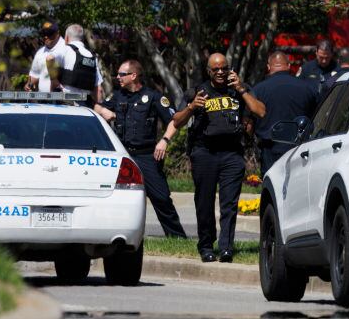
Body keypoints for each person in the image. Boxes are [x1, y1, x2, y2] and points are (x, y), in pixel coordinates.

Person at [173, 53, 265, 263]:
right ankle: (206, 246)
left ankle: (226, 248)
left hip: (232, 153)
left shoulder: (239, 89)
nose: (221, 72)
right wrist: (191, 107)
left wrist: (241, 89)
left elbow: (260, 111)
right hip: (204, 152)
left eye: (224, 68)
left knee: (229, 204)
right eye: (216, 69)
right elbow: (177, 122)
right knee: (204, 203)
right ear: (209, 71)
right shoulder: (197, 91)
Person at [94, 59, 187, 238]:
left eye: (122, 74)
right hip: (123, 156)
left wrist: (164, 140)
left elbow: (175, 121)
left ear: (133, 75)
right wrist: (102, 110)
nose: (117, 77)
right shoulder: (117, 96)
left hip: (146, 155)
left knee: (161, 198)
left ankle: (177, 236)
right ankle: (115, 236)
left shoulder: (153, 97)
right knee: (116, 198)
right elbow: (94, 107)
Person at [253, 51, 321, 173]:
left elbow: (251, 119)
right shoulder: (308, 88)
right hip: (299, 146)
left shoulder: (258, 89)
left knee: (271, 187)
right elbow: (316, 116)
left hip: (269, 147)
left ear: (269, 67)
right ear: (289, 65)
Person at [57, 24, 104, 106]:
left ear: (67, 38)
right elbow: (98, 90)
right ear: (82, 39)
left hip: (65, 102)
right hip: (85, 104)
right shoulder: (91, 56)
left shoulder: (62, 51)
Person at [25, 21, 69, 92]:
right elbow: (34, 75)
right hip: (43, 100)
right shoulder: (40, 52)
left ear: (57, 33)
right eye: (43, 34)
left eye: (49, 33)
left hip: (62, 99)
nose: (46, 37)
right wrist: (29, 84)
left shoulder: (67, 49)